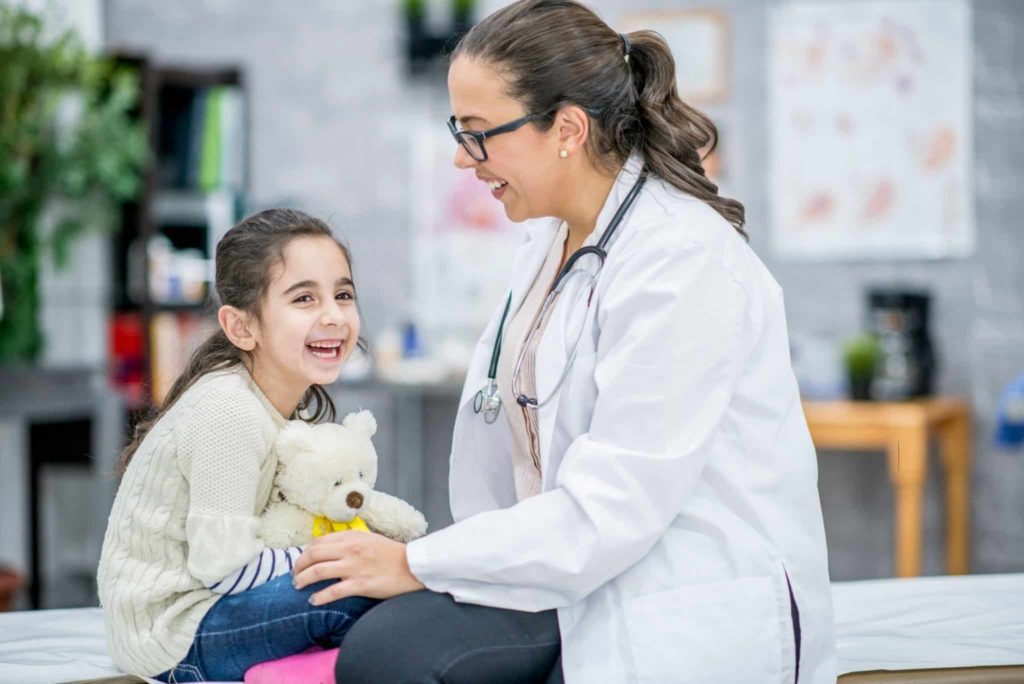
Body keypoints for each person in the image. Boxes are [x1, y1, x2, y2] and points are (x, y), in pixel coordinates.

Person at [294, 1, 836, 681]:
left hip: (679, 593)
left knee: (389, 656)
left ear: (568, 130)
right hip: (579, 572)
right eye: (458, 131)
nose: (464, 160)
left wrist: (416, 564)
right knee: (371, 634)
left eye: (480, 133)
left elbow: (613, 507)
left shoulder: (683, 260)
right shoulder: (550, 241)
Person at [97, 209, 378, 682]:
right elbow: (223, 569)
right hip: (174, 634)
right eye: (304, 298)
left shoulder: (279, 404)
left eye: (343, 294)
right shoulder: (229, 410)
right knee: (355, 591)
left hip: (217, 607)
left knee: (386, 580)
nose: (333, 315)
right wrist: (336, 549)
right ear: (241, 327)